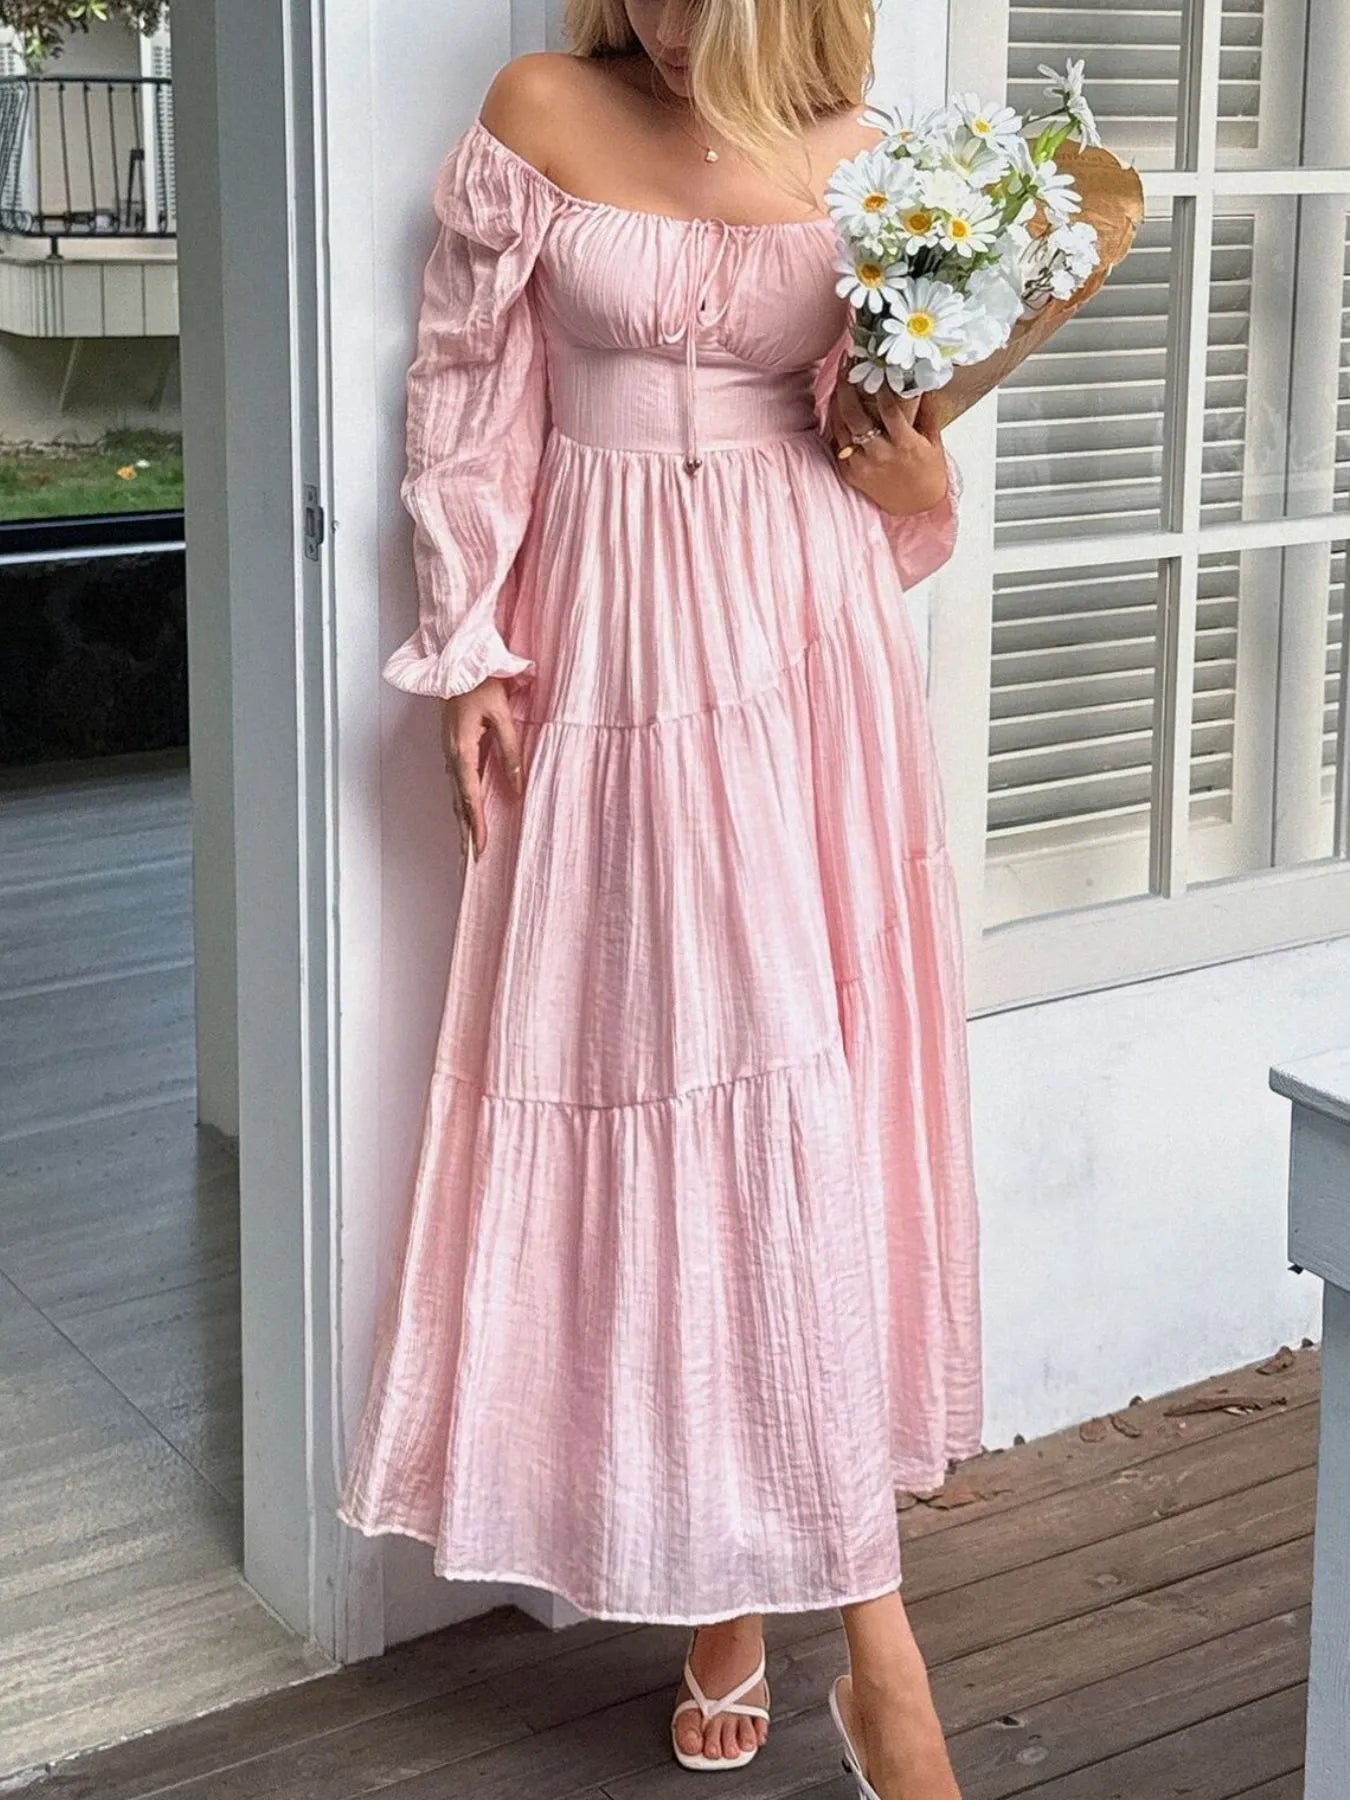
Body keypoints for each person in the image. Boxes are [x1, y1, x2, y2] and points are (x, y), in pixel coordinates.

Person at [337, 4, 982, 1795]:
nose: (676, 16)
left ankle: (801, 1617)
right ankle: (828, 1631)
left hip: (806, 642)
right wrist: (468, 642)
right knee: (690, 1087)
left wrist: (924, 469)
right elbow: (465, 394)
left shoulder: (870, 158)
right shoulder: (542, 106)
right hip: (612, 642)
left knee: (803, 1094)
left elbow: (878, 437)